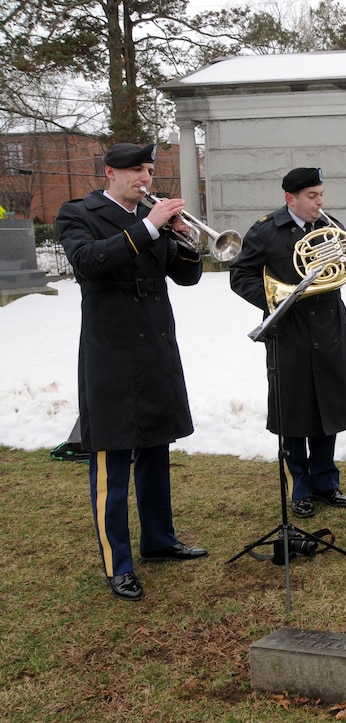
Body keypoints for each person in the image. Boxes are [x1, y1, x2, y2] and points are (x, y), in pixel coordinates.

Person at [56, 142, 209, 602]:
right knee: (113, 459)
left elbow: (185, 278)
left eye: (147, 170)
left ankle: (159, 541)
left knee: (155, 451)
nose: (145, 178)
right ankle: (116, 562)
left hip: (156, 347)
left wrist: (185, 240)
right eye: (136, 171)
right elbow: (88, 262)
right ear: (110, 173)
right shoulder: (77, 212)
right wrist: (149, 226)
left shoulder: (153, 220)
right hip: (112, 353)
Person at [230, 167, 346, 518]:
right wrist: (275, 299)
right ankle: (299, 488)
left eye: (321, 194)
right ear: (290, 199)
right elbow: (240, 276)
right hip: (289, 332)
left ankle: (326, 483)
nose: (320, 202)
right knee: (293, 414)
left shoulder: (331, 226)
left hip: (330, 330)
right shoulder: (266, 230)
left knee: (328, 409)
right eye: (312, 196)